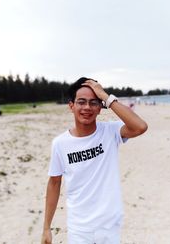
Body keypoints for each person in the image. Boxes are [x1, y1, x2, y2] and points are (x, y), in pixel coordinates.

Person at [41, 77, 148, 244]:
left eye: (93, 103)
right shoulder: (60, 144)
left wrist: (105, 96)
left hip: (109, 226)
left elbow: (140, 126)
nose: (87, 108)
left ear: (100, 108)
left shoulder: (110, 132)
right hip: (79, 228)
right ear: (71, 106)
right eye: (81, 102)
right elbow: (54, 183)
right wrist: (46, 227)